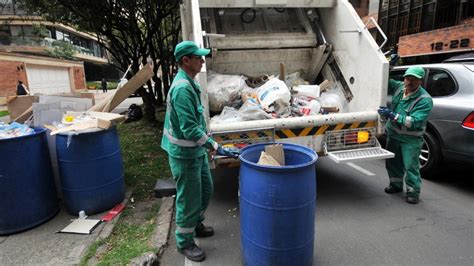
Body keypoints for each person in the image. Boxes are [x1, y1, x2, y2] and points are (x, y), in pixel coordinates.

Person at [161, 41, 237, 262]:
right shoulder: (182, 89)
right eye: (198, 58)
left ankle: (195, 223)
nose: (203, 61)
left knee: (206, 190)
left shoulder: (189, 82)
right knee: (189, 199)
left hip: (195, 152)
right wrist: (214, 146)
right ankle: (184, 243)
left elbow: (197, 122)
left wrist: (208, 143)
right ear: (186, 61)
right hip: (184, 155)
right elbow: (189, 128)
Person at [378, 66, 433, 204]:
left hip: (411, 139)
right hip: (394, 134)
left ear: (420, 81)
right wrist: (388, 66)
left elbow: (413, 122)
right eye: (408, 78)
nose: (409, 82)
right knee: (393, 162)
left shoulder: (425, 100)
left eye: (414, 79)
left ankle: (413, 192)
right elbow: (382, 79)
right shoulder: (399, 87)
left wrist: (392, 115)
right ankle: (395, 185)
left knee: (411, 166)